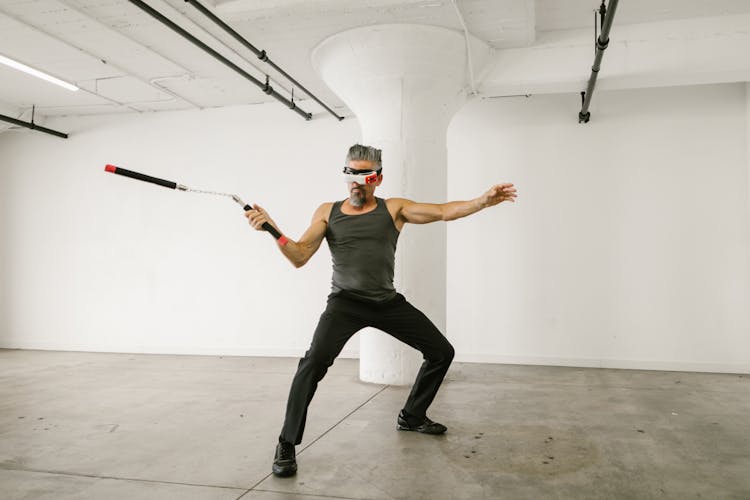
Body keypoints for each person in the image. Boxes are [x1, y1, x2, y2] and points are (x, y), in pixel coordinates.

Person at [245, 144, 517, 477]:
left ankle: (412, 416)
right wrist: (272, 229)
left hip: (385, 302)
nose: (356, 181)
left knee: (441, 352)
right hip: (344, 303)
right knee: (313, 362)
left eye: (365, 175)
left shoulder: (394, 209)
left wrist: (482, 201)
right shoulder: (327, 212)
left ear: (378, 179)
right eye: (351, 173)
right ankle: (286, 442)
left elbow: (443, 211)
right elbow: (300, 255)